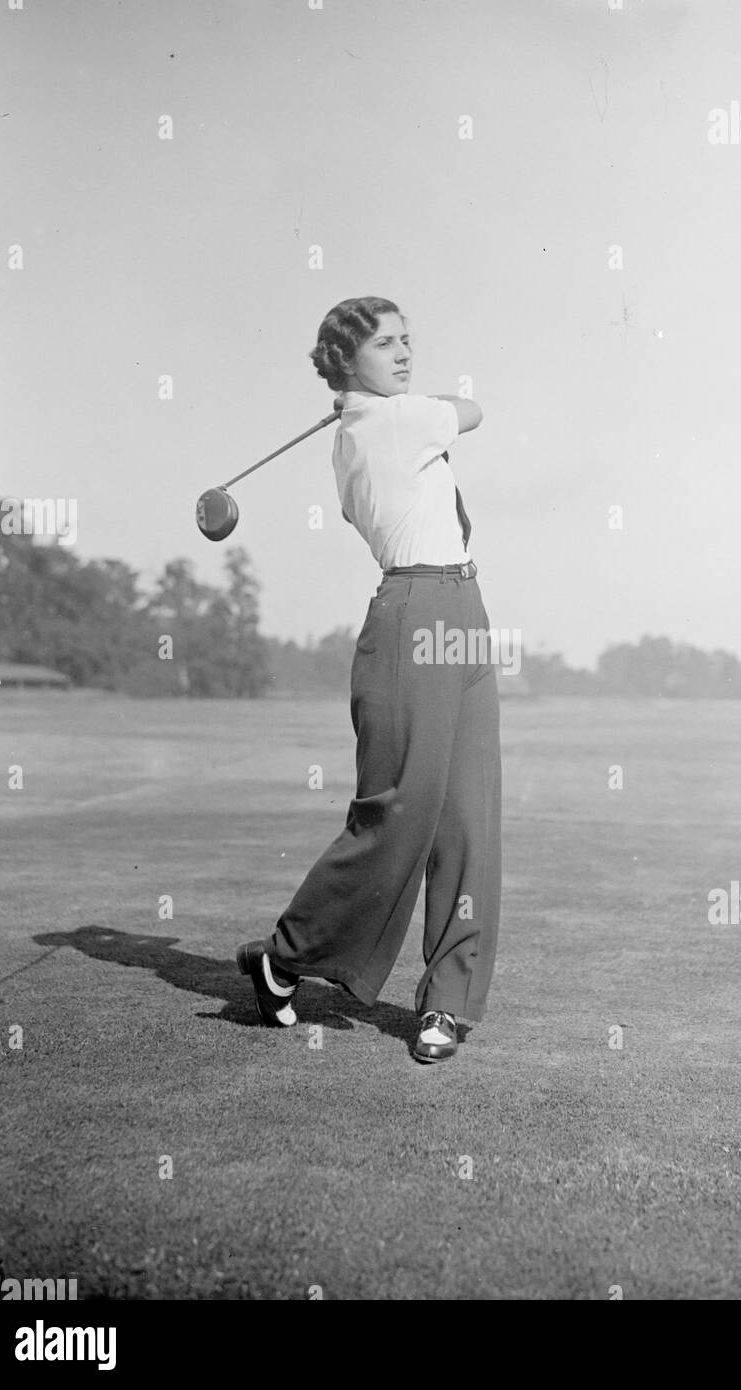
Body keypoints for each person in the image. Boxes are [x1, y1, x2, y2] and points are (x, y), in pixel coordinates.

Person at [237, 297, 502, 1063]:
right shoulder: (393, 421)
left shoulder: (365, 426)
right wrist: (389, 403)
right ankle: (283, 955)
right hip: (416, 609)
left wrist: (364, 400)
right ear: (346, 360)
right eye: (385, 343)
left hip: (462, 607)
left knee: (467, 820)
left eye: (407, 338)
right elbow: (474, 409)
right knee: (400, 813)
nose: (404, 351)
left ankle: (446, 1004)